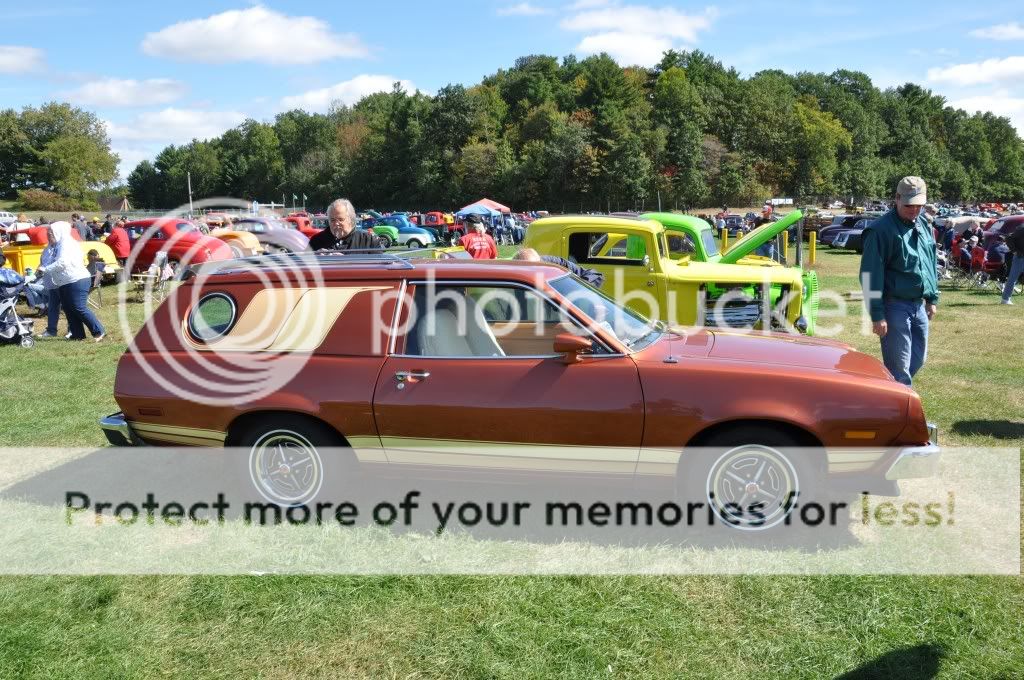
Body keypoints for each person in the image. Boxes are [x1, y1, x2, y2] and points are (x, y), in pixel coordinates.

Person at [859, 176, 938, 387]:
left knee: (917, 360)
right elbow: (869, 275)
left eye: (919, 205)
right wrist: (877, 314)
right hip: (894, 306)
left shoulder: (923, 224)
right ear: (897, 198)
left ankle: (888, 397)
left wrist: (931, 297)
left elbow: (928, 262)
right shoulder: (880, 231)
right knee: (900, 370)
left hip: (918, 305)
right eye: (909, 205)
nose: (914, 210)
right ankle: (903, 416)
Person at [35, 221, 105, 341]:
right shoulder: (56, 245)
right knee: (68, 309)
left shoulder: (67, 243)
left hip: (77, 279)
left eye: (51, 232)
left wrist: (46, 269)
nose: (49, 234)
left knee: (78, 307)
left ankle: (99, 331)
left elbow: (63, 262)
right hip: (63, 282)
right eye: (48, 232)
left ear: (59, 231)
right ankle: (77, 335)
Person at [309, 198, 381, 251]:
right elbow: (304, 266)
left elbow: (381, 267)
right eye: (332, 220)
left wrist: (346, 260)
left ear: (351, 219)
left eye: (340, 219)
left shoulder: (368, 240)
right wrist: (317, 257)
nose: (336, 223)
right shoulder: (316, 240)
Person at [515, 247, 605, 288]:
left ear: (540, 261)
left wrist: (577, 288)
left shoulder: (555, 263)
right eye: (530, 271)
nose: (535, 273)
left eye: (537, 267)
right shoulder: (516, 280)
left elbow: (595, 275)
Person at [1001, 224, 1024, 305]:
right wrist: (1014, 251)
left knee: (1012, 279)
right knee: (1012, 279)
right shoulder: (1022, 228)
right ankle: (1005, 299)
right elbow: (1008, 238)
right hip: (1020, 257)